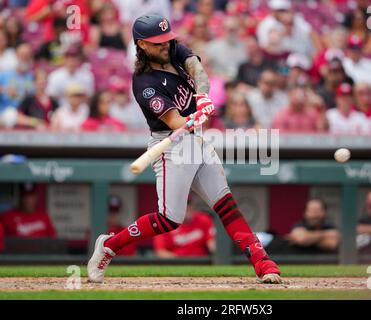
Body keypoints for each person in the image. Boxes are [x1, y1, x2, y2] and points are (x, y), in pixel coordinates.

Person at [87, 14, 281, 284]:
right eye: (157, 43)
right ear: (142, 45)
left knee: (226, 206)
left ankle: (263, 263)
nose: (165, 45)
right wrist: (195, 117)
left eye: (166, 39)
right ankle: (110, 245)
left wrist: (201, 98)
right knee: (169, 219)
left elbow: (197, 70)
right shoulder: (144, 82)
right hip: (171, 144)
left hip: (197, 140)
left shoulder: (174, 48)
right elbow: (175, 121)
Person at [0, 42, 34, 129]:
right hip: (6, 113)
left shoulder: (33, 77)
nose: (24, 57)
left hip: (27, 113)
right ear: (16, 55)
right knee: (11, 114)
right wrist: (4, 90)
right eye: (22, 54)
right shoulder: (4, 75)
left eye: (27, 55)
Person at [205, 16, 248, 81]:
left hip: (240, 83)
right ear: (223, 29)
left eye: (234, 30)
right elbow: (206, 69)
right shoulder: (212, 47)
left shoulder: (245, 47)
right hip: (219, 84)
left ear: (238, 30)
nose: (232, 32)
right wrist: (220, 77)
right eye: (229, 30)